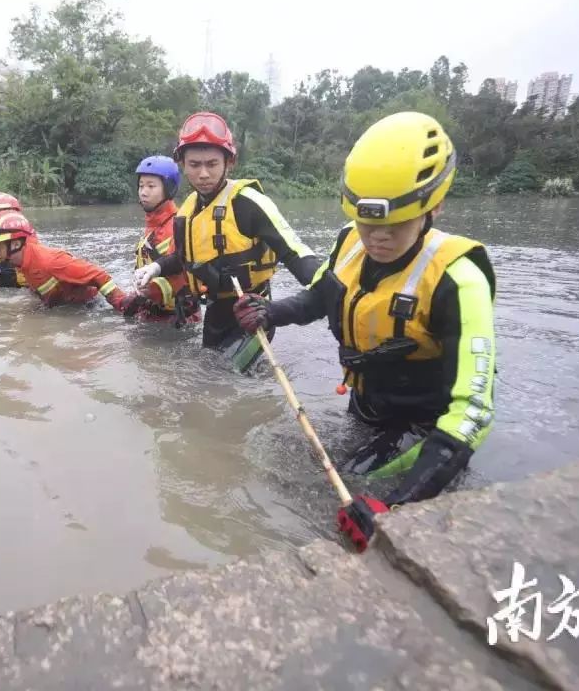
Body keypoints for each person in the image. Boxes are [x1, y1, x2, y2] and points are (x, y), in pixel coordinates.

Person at [232, 111, 497, 549]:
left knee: (356, 492)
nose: (378, 238)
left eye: (395, 226)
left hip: (424, 430)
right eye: (367, 223)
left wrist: (395, 506)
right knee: (272, 454)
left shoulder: (459, 280)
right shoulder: (348, 242)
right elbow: (319, 297)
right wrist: (269, 312)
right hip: (368, 408)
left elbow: (472, 412)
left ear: (434, 206)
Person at [136, 112, 320, 371]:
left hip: (254, 311)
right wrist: (155, 268)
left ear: (229, 162)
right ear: (182, 163)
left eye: (211, 164)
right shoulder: (186, 211)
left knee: (231, 379)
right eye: (194, 164)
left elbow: (296, 254)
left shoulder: (249, 203)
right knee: (208, 377)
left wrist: (327, 291)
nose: (202, 174)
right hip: (215, 311)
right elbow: (182, 259)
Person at [0, 211, 128, 311]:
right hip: (65, 306)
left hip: (90, 307)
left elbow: (98, 275)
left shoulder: (50, 261)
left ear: (16, 244)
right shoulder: (21, 264)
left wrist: (122, 304)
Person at [126, 155, 200, 325]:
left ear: (168, 189)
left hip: (178, 319)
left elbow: (185, 275)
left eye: (151, 186)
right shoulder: (152, 224)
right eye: (141, 186)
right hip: (152, 312)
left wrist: (150, 291)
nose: (143, 192)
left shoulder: (177, 225)